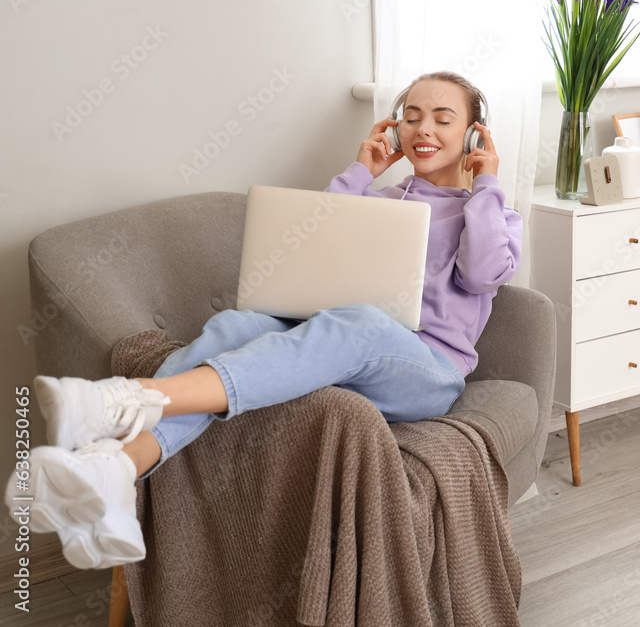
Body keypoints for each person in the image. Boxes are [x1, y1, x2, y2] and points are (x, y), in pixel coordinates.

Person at [5, 71, 522, 570]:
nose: (422, 130)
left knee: (365, 323)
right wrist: (361, 174)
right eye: (410, 117)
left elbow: (481, 273)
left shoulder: (495, 213)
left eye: (442, 118)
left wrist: (486, 185)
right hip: (347, 352)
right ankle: (115, 468)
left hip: (428, 374)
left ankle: (128, 398)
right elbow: (312, 265)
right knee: (239, 327)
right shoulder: (380, 201)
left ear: (475, 134)